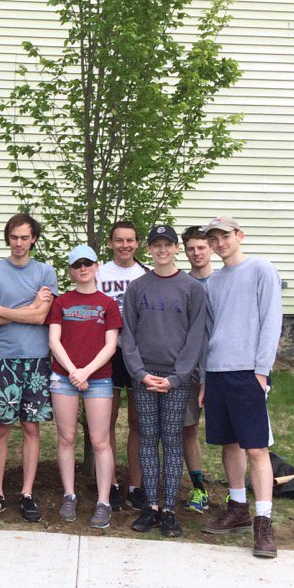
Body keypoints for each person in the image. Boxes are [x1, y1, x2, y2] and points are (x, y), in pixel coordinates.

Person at [200, 215, 283, 559]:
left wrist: (261, 371)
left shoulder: (262, 270)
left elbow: (272, 320)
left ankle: (263, 520)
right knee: (229, 443)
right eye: (214, 239)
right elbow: (207, 333)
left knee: (256, 447)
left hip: (248, 371)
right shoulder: (212, 283)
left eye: (225, 236)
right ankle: (238, 508)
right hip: (218, 372)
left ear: (239, 236)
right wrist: (205, 377)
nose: (220, 243)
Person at [121, 226, 207, 539]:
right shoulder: (137, 287)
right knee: (147, 439)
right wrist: (140, 373)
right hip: (144, 375)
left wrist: (176, 377)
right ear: (149, 249)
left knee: (172, 440)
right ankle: (151, 507)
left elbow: (196, 335)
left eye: (167, 245)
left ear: (175, 249)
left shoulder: (191, 288)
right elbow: (127, 333)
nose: (161, 250)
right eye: (156, 245)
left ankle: (169, 508)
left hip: (177, 378)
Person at [0, 214, 57, 523]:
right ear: (7, 238)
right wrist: (28, 307)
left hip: (36, 359)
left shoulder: (45, 272)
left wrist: (2, 310)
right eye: (14, 237)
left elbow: (41, 318)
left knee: (31, 427)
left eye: (25, 237)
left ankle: (26, 493)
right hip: (3, 359)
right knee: (0, 427)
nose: (19, 243)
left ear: (33, 238)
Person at [46, 245, 122, 530]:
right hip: (64, 377)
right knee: (66, 438)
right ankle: (69, 494)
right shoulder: (61, 302)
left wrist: (86, 371)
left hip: (98, 378)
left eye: (87, 263)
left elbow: (110, 345)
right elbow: (55, 340)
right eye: (76, 264)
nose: (82, 268)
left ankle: (103, 501)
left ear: (96, 265)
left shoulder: (108, 303)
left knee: (100, 440)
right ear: (70, 270)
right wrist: (72, 371)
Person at [96, 221, 148, 511]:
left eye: (130, 240)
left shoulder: (145, 274)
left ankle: (135, 485)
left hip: (138, 353)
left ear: (137, 243)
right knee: (108, 421)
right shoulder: (100, 273)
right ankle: (112, 482)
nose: (125, 245)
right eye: (119, 240)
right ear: (111, 242)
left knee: (138, 422)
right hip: (109, 352)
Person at [181, 225, 214, 512]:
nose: (197, 252)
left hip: (223, 367)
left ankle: (236, 493)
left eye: (201, 247)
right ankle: (199, 489)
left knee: (234, 436)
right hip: (191, 370)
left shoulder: (224, 281)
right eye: (191, 248)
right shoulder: (182, 284)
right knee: (187, 429)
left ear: (211, 248)